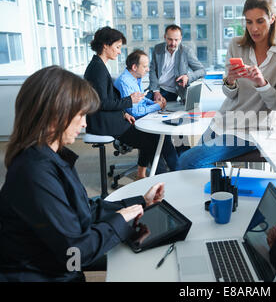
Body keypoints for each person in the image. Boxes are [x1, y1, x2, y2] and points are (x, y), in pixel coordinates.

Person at [0, 66, 165, 281]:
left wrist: (140, 202)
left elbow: (84, 210)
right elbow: (75, 255)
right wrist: (118, 221)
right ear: (55, 116)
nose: (85, 123)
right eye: (80, 115)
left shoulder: (51, 157)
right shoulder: (34, 174)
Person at [178, 0, 276, 170]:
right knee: (184, 155)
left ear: (272, 19)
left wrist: (262, 83)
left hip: (252, 129)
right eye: (249, 22)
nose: (254, 28)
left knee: (188, 161)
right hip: (224, 120)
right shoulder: (236, 45)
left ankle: (220, 195)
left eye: (260, 21)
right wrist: (230, 81)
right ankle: (216, 192)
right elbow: (229, 94)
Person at [84, 26, 177, 179]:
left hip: (111, 117)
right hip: (103, 123)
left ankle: (147, 173)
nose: (119, 51)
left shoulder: (99, 66)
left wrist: (123, 112)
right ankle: (153, 176)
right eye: (117, 47)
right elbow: (101, 103)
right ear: (106, 46)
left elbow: (110, 99)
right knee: (153, 137)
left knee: (153, 135)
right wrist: (129, 101)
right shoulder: (97, 69)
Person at [114, 49, 178, 171]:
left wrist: (154, 102)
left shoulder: (134, 78)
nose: (148, 69)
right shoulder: (125, 82)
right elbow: (134, 112)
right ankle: (164, 173)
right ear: (134, 67)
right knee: (158, 137)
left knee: (163, 135)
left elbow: (141, 99)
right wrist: (157, 106)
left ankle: (173, 170)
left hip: (135, 118)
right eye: (145, 66)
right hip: (128, 123)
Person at [149, 24, 206, 103]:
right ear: (165, 37)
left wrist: (187, 77)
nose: (173, 43)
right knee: (140, 104)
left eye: (176, 40)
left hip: (172, 91)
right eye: (170, 39)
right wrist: (156, 91)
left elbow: (202, 70)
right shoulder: (158, 48)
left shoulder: (186, 52)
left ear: (181, 39)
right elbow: (152, 70)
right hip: (156, 88)